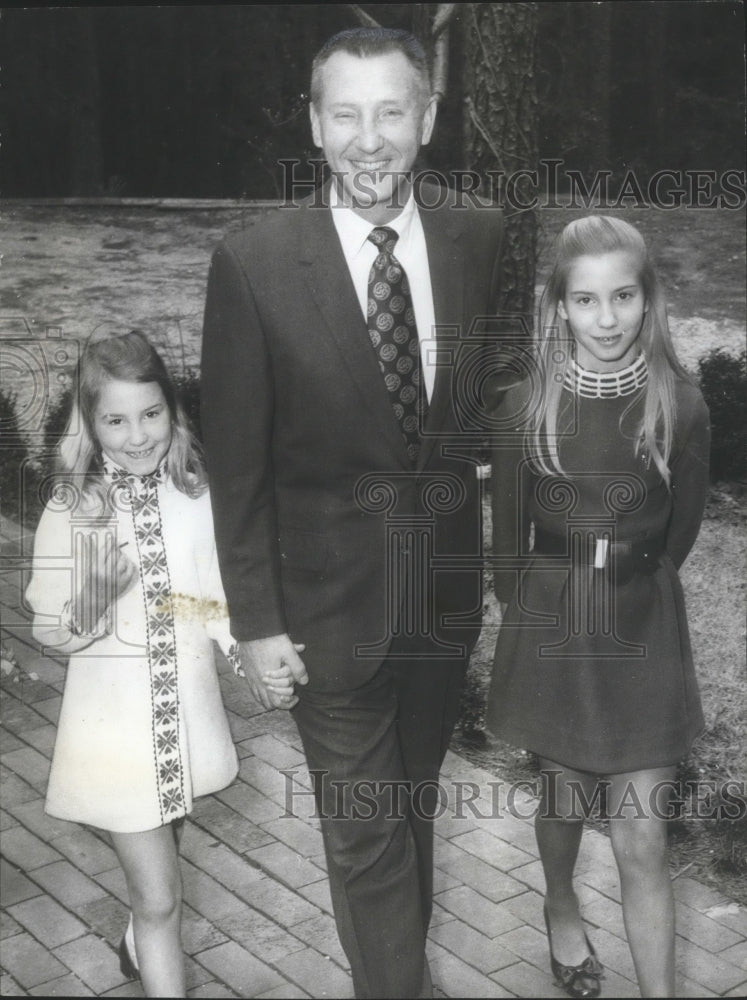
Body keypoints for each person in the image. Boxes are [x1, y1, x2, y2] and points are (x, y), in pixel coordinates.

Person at [200, 26, 502, 999]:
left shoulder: (479, 235)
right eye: (345, 115)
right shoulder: (251, 265)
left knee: (410, 814)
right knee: (369, 838)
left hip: (439, 601)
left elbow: (477, 400)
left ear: (427, 118)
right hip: (323, 619)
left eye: (390, 112)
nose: (369, 139)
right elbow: (237, 467)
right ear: (318, 129)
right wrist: (256, 624)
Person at [486, 215, 710, 998]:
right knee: (564, 798)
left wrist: (627, 584)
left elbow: (676, 535)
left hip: (640, 630)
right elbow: (507, 545)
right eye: (586, 301)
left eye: (622, 297)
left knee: (641, 836)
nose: (606, 318)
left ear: (647, 302)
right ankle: (558, 902)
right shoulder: (525, 406)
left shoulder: (678, 407)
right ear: (559, 308)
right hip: (556, 629)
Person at [25, 331, 272, 997]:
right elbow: (50, 626)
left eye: (151, 414)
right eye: (115, 420)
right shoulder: (75, 512)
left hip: (182, 722)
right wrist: (93, 600)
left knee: (167, 839)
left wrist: (245, 650)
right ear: (91, 424)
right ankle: (151, 932)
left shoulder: (193, 495)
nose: (137, 437)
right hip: (112, 738)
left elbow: (212, 596)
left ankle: (139, 936)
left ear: (173, 411)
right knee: (162, 897)